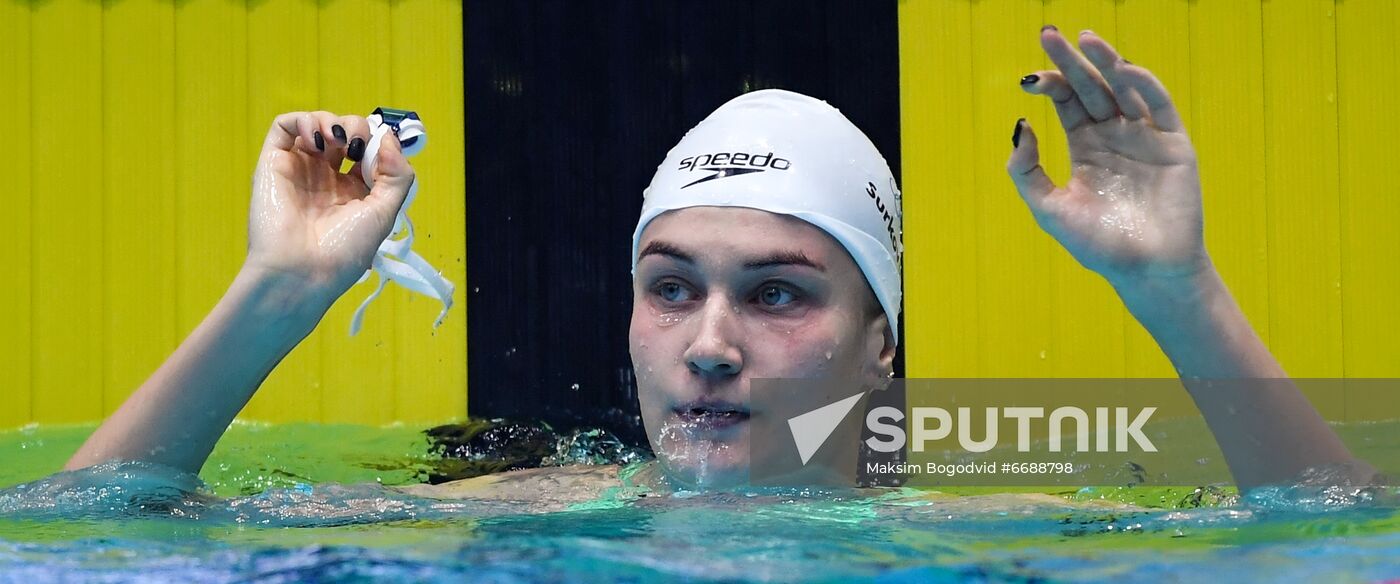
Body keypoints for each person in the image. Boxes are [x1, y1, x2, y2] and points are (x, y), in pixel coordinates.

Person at [63, 28, 1373, 499]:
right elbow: (84, 540)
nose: (708, 341)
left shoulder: (994, 528)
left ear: (884, 345)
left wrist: (1174, 293)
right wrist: (280, 289)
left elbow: (1338, 545)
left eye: (782, 293)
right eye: (671, 284)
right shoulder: (515, 522)